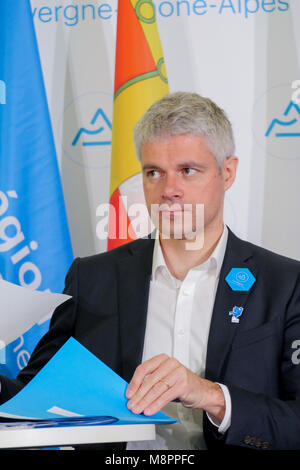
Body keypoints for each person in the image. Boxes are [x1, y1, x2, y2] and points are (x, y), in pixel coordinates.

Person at [1, 91, 300, 450]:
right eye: (154, 172)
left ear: (228, 172)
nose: (168, 190)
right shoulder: (93, 278)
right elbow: (32, 401)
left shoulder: (285, 284)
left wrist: (210, 395)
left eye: (188, 171)